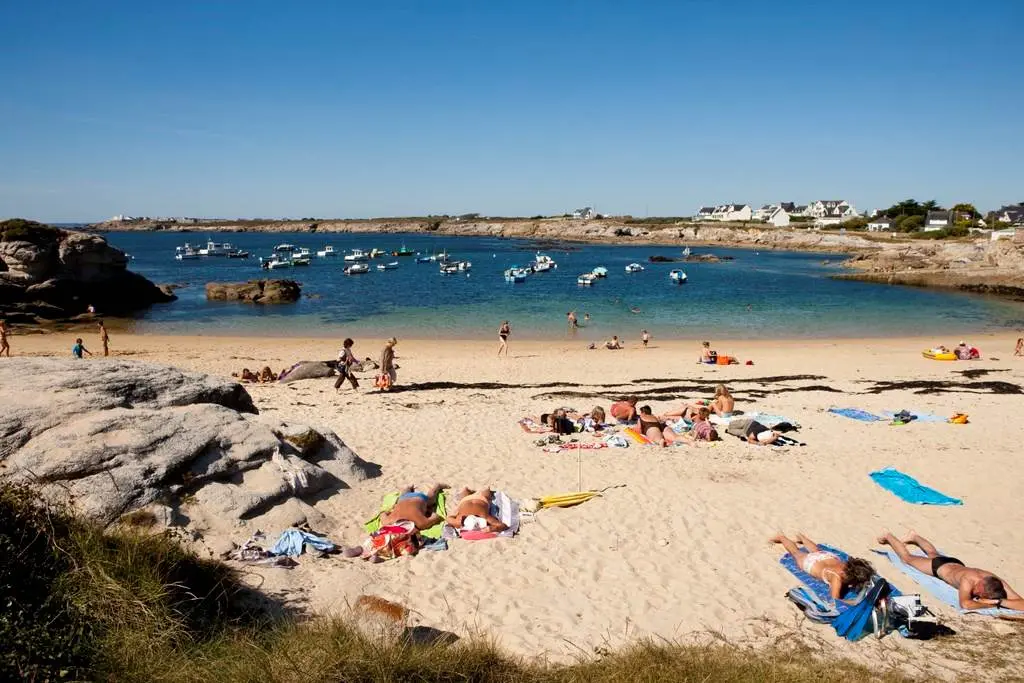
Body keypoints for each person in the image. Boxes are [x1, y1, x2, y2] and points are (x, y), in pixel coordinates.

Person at [877, 531, 1024, 610]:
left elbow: (1021, 603)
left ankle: (914, 536)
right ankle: (888, 536)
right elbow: (965, 604)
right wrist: (990, 604)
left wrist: (999, 601)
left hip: (955, 564)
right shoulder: (969, 581)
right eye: (980, 593)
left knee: (934, 554)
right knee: (907, 558)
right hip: (938, 567)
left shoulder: (996, 580)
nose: (978, 595)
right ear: (982, 586)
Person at [770, 532, 875, 600]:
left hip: (827, 557)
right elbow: (835, 599)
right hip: (811, 563)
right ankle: (782, 537)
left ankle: (801, 537)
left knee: (816, 551)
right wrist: (850, 602)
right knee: (796, 553)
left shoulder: (847, 566)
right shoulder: (837, 578)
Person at [381, 483, 448, 531]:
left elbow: (436, 516)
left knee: (431, 501)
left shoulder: (421, 524)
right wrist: (392, 511)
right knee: (404, 495)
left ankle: (437, 486)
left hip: (419, 498)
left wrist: (427, 511)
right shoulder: (387, 522)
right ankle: (408, 488)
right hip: (404, 498)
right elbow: (383, 513)